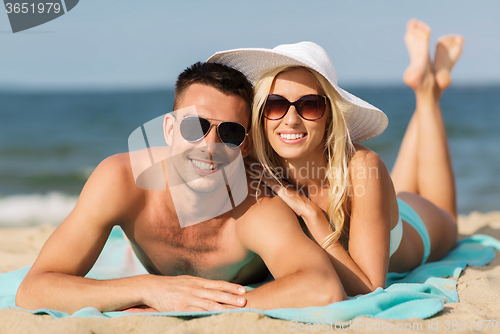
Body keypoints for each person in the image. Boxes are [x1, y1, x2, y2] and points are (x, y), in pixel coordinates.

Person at [16, 62, 346, 314]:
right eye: (195, 126)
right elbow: (34, 289)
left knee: (400, 203)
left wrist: (202, 306)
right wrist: (148, 288)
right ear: (170, 129)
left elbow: (323, 287)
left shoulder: (256, 207)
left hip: (356, 221)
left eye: (229, 133)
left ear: (244, 147)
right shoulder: (122, 181)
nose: (210, 146)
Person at [208, 19, 463, 296]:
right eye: (276, 104)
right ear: (261, 113)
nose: (291, 119)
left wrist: (312, 215)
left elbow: (370, 287)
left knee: (446, 214)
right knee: (390, 185)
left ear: (329, 113)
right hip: (376, 203)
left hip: (419, 227)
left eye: (310, 105)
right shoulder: (255, 165)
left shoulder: (363, 167)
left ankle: (428, 93)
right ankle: (428, 85)